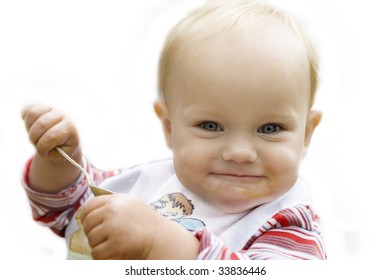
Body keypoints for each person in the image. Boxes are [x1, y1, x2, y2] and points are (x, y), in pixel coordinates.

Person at [21, 0, 326, 260]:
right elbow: (66, 210)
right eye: (210, 126)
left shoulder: (290, 226)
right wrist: (60, 161)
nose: (239, 153)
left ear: (306, 135)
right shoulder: (151, 184)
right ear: (169, 127)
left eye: (270, 128)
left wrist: (160, 243)